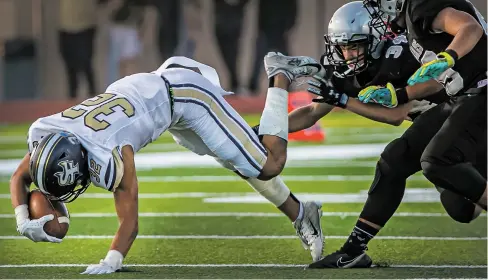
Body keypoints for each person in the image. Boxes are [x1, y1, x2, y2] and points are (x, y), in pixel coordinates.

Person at [9, 54, 325, 274]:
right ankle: (302, 213)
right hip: (155, 95)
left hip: (187, 98)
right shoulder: (51, 137)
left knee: (268, 162)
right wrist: (22, 218)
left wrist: (112, 260)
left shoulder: (112, 152)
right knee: (241, 153)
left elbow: (129, 223)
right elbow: (20, 176)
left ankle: (279, 75)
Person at [305, 0, 487, 268]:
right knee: (396, 159)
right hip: (463, 98)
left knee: (436, 161)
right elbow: (435, 81)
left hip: (479, 92)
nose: (377, 6)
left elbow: (469, 29)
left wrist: (447, 57)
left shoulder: (419, 8)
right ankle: (354, 250)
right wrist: (399, 94)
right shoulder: (406, 24)